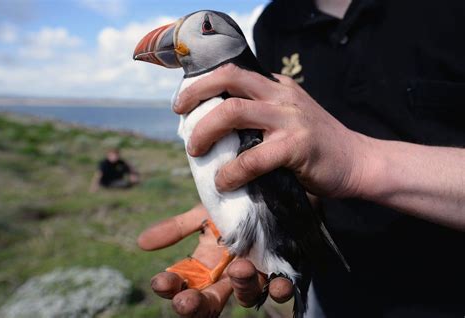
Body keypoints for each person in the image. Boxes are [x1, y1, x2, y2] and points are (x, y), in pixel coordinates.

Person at [138, 0, 465, 317]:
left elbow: (331, 156)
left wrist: (356, 162)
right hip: (331, 289)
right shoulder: (275, 23)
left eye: (206, 27)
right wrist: (235, 217)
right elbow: (289, 160)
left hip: (446, 292)